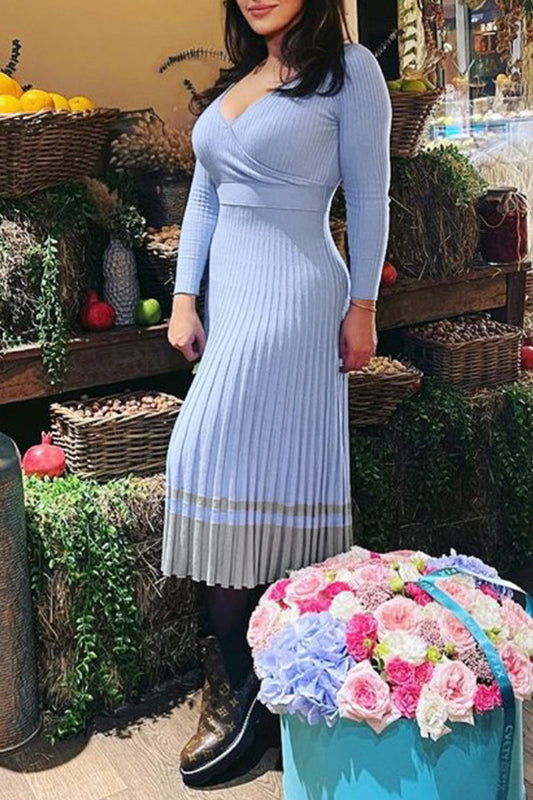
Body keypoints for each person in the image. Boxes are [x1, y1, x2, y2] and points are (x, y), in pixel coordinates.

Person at [161, 0, 391, 787]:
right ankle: (253, 683)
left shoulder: (348, 72)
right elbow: (204, 197)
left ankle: (249, 692)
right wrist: (184, 298)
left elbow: (369, 195)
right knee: (221, 470)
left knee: (215, 457)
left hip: (295, 300)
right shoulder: (242, 79)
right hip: (232, 303)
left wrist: (363, 306)